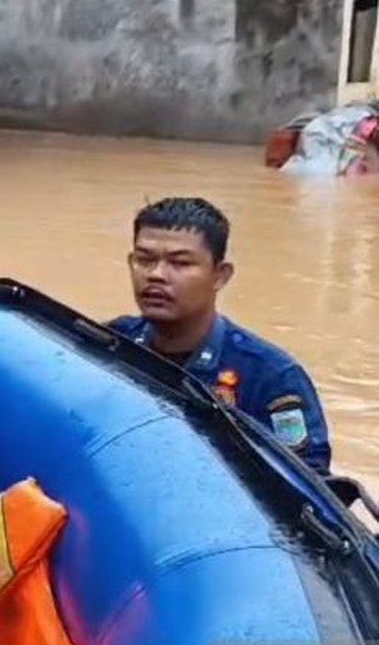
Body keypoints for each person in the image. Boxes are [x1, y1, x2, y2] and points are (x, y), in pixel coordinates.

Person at [107, 197, 332, 474]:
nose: (156, 275)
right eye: (145, 260)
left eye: (180, 263)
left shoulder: (270, 377)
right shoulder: (105, 346)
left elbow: (309, 489)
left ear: (220, 276)